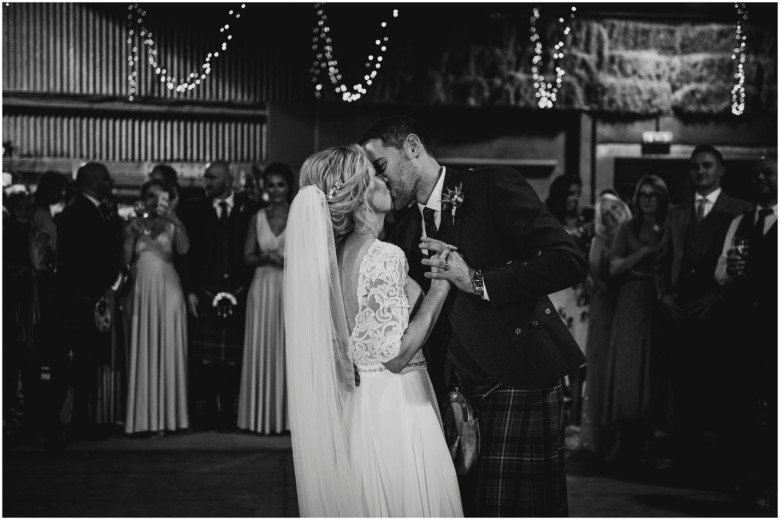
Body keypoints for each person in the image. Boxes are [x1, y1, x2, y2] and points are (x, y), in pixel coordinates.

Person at [360, 116, 587, 516]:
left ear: (412, 147)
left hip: (520, 376)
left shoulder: (492, 187)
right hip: (457, 391)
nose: (379, 182)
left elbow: (568, 261)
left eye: (381, 167)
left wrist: (477, 279)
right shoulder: (406, 230)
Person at [285, 145, 463, 517]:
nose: (385, 180)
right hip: (397, 406)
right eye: (375, 174)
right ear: (361, 193)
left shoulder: (333, 259)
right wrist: (442, 286)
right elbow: (397, 355)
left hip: (360, 407)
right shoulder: (383, 255)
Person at [655, 144, 752, 477]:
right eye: (695, 167)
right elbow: (661, 260)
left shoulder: (741, 210)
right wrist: (664, 296)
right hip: (680, 312)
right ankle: (685, 461)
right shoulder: (676, 212)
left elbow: (749, 267)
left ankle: (724, 466)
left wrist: (720, 298)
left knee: (722, 391)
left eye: (707, 166)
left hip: (720, 314)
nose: (700, 172)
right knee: (684, 390)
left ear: (720, 170)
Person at [714, 153, 777, 514]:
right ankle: (745, 479)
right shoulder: (740, 222)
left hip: (775, 331)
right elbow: (721, 274)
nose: (761, 179)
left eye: (768, 173)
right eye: (756, 175)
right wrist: (732, 272)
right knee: (743, 407)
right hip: (742, 330)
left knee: (774, 409)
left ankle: (770, 484)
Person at [182, 160, 256, 432]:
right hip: (205, 291)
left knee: (232, 359)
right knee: (207, 360)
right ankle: (210, 412)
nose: (207, 183)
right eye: (206, 178)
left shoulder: (250, 208)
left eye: (212, 178)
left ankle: (228, 412)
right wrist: (190, 290)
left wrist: (248, 290)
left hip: (238, 291)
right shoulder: (194, 209)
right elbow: (187, 256)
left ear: (229, 179)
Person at [52, 162, 123, 443]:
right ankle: (58, 424)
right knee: (73, 363)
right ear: (93, 182)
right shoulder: (77, 213)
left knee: (86, 364)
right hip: (79, 300)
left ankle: (82, 420)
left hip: (87, 297)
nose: (111, 181)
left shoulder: (94, 210)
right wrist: (107, 282)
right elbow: (84, 258)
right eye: (106, 177)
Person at [602, 176, 669, 472]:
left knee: (654, 371)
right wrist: (643, 253)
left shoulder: (671, 225)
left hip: (659, 300)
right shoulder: (629, 228)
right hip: (631, 300)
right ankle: (627, 446)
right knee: (628, 372)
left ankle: (648, 444)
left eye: (654, 195)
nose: (647, 200)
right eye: (643, 195)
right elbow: (613, 266)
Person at [123, 180, 190, 436]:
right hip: (142, 288)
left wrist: (172, 216)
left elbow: (184, 249)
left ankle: (172, 418)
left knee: (169, 347)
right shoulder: (132, 222)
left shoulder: (173, 222)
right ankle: (144, 418)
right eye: (149, 195)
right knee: (145, 348)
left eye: (158, 195)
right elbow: (125, 259)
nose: (153, 199)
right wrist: (130, 237)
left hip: (169, 286)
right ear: (142, 197)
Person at [237, 162, 293, 434]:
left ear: (288, 187)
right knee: (262, 344)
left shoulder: (297, 215)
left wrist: (288, 259)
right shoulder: (257, 217)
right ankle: (259, 417)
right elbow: (246, 256)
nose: (275, 190)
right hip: (262, 287)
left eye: (280, 184)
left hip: (288, 287)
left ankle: (287, 418)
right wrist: (264, 257)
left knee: (285, 347)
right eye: (270, 185)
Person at [579, 190, 631, 456]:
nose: (613, 214)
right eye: (607, 212)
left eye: (616, 208)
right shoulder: (600, 240)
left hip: (629, 310)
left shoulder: (635, 234)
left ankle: (624, 437)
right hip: (606, 308)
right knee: (601, 368)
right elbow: (596, 277)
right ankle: (600, 435)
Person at [545, 174, 594, 427]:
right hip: (558, 292)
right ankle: (558, 414)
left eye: (578, 193)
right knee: (557, 352)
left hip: (580, 293)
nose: (575, 199)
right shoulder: (549, 222)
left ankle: (577, 416)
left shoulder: (589, 222)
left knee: (580, 355)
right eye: (571, 193)